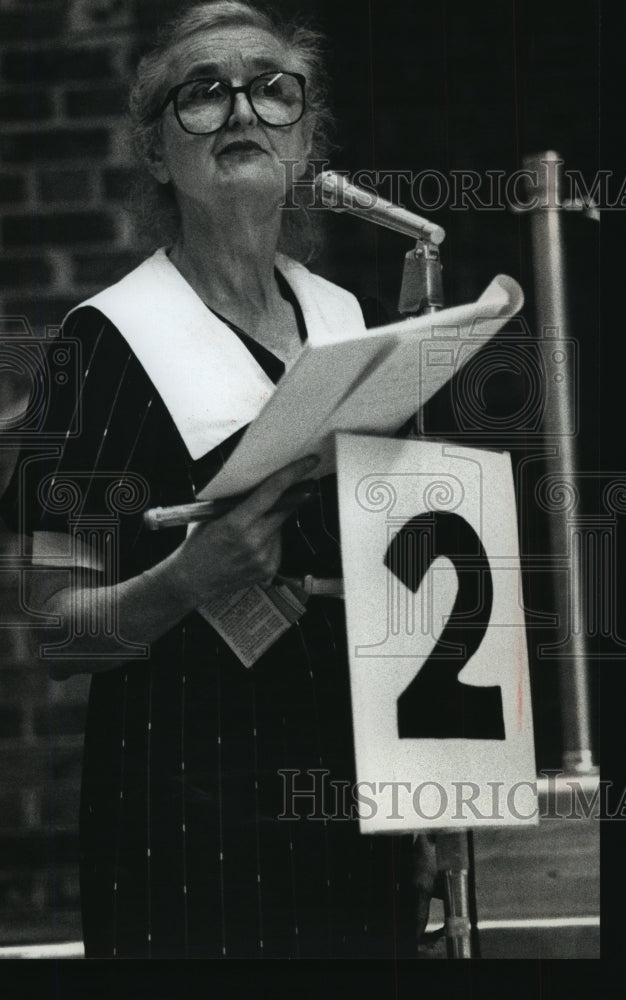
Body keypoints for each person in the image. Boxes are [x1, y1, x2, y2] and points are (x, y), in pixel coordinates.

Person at [19, 0, 425, 958]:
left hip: (355, 797)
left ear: (306, 133)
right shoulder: (105, 341)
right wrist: (189, 578)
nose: (241, 111)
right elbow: (52, 628)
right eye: (200, 95)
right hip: (187, 818)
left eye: (270, 89)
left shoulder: (345, 319)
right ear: (157, 154)